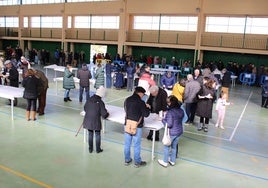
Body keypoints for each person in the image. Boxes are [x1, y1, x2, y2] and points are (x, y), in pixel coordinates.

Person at [124, 86, 150, 168]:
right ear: (140, 93)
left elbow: (125, 109)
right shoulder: (141, 102)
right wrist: (147, 108)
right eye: (143, 94)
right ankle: (137, 162)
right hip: (137, 126)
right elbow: (146, 114)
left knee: (127, 144)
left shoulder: (127, 99)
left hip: (127, 124)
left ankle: (127, 160)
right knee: (136, 145)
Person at [158, 95, 184, 167]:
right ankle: (172, 161)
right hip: (179, 131)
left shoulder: (170, 112)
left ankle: (165, 161)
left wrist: (162, 119)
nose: (167, 103)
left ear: (171, 103)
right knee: (174, 147)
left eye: (168, 102)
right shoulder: (181, 110)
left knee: (166, 147)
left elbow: (169, 124)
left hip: (172, 132)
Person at [82, 86, 109, 153]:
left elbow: (85, 108)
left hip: (88, 120)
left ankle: (90, 149)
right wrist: (107, 113)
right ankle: (98, 149)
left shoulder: (89, 99)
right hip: (96, 121)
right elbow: (104, 115)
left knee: (90, 134)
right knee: (97, 134)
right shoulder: (100, 102)